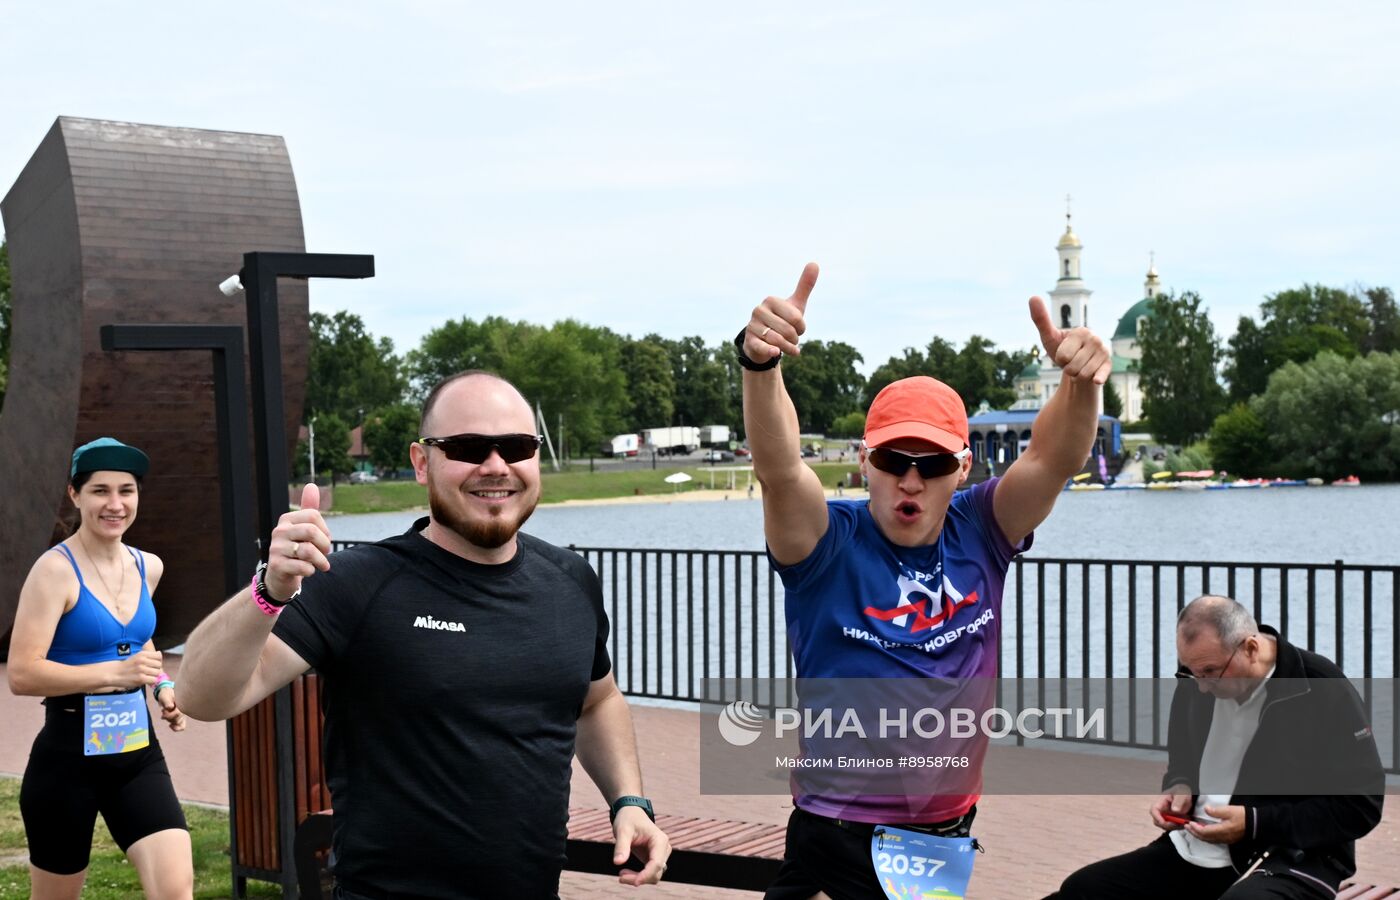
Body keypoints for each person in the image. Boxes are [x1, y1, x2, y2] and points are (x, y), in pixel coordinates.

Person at [178, 371, 671, 898]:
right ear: (421, 462)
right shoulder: (355, 583)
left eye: (517, 446)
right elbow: (201, 697)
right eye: (467, 447)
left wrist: (629, 801)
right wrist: (270, 590)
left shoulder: (571, 581)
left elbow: (597, 700)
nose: (496, 466)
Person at [738, 263, 1112, 898]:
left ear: (961, 469)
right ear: (864, 461)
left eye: (932, 463)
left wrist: (1081, 384)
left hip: (941, 832)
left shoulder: (983, 530)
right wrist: (760, 365)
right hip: (839, 830)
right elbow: (779, 468)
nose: (911, 480)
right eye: (892, 460)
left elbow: (1055, 458)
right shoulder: (826, 542)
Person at [1046, 595, 1384, 899]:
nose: (1202, 687)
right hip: (1194, 852)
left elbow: (1361, 806)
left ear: (1251, 648)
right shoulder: (1195, 679)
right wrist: (1179, 786)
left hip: (1292, 859)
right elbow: (1182, 759)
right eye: (1192, 673)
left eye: (1211, 672)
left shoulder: (1320, 685)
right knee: (1082, 890)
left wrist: (1253, 823)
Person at [7, 437, 192, 900]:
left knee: (175, 891)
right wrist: (115, 674)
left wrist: (162, 687)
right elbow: (22, 674)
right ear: (75, 495)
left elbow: (135, 640)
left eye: (126, 491)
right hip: (67, 762)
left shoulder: (148, 566)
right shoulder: (54, 572)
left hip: (136, 755)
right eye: (100, 491)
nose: (115, 504)